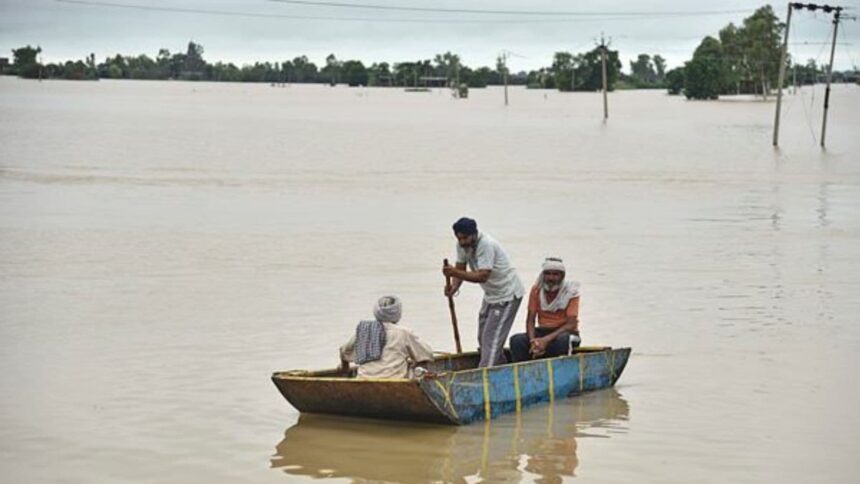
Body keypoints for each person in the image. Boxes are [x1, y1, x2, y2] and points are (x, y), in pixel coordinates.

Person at [443, 217, 525, 367]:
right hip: (491, 295)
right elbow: (461, 268)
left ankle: (486, 373)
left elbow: (482, 276)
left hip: (507, 294)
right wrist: (454, 286)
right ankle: (501, 367)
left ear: (474, 234)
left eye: (465, 238)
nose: (462, 242)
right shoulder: (461, 245)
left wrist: (454, 272)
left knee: (490, 340)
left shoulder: (486, 244)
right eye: (459, 238)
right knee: (483, 338)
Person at [339, 295, 434, 379]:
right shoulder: (403, 333)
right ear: (398, 313)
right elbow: (427, 355)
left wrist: (345, 370)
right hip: (396, 382)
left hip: (363, 380)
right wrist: (415, 364)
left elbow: (344, 351)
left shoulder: (364, 330)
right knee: (422, 364)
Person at [510, 257, 581, 362]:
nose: (551, 278)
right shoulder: (536, 290)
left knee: (563, 340)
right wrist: (533, 342)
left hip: (565, 333)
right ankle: (524, 373)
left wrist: (546, 340)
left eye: (555, 274)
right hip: (543, 332)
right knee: (517, 340)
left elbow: (571, 324)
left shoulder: (571, 292)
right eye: (548, 274)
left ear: (562, 276)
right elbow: (530, 320)